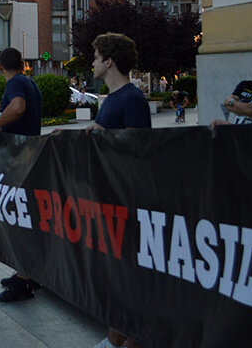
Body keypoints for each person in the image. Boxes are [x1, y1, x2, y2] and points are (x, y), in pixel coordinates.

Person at [86, 33, 151, 348]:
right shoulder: (111, 100)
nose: (92, 62)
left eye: (96, 56)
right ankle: (116, 337)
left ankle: (124, 340)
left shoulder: (132, 99)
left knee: (130, 277)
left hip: (130, 202)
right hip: (112, 201)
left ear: (108, 61)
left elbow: (136, 150)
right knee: (119, 276)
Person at [0, 47, 44, 303]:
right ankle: (27, 272)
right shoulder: (30, 83)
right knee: (27, 219)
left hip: (19, 160)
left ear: (0, 68)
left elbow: (18, 107)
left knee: (19, 219)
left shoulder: (15, 84)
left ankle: (25, 280)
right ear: (23, 63)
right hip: (31, 156)